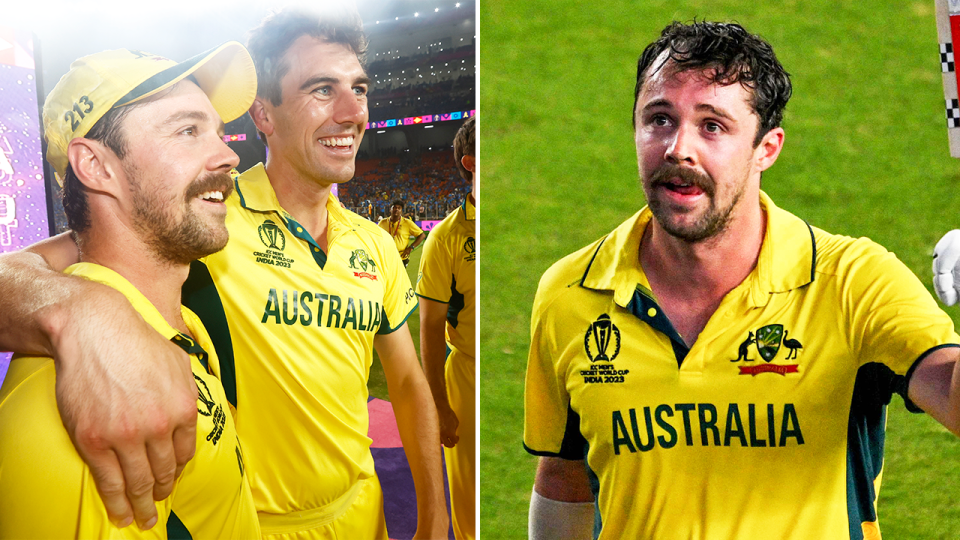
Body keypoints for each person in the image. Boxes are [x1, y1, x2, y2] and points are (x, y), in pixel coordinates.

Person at [0, 6, 448, 540]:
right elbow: (54, 259)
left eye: (360, 88)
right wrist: (76, 311)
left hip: (362, 506)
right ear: (263, 115)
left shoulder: (372, 242)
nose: (353, 111)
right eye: (322, 90)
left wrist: (435, 517)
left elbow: (405, 380)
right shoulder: (204, 221)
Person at [523, 21, 960, 540]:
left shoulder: (853, 282)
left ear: (766, 149)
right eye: (659, 119)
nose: (678, 148)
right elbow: (564, 476)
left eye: (712, 126)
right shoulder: (571, 291)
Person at [0, 44, 260, 537]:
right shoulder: (81, 406)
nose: (230, 155)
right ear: (97, 167)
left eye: (220, 133)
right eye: (187, 130)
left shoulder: (176, 319)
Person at [416, 116, 476, 540]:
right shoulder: (447, 238)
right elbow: (430, 328)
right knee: (472, 499)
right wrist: (439, 404)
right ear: (472, 163)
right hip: (467, 377)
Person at [380, 199, 426, 267]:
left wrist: (411, 247)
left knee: (399, 277)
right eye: (394, 207)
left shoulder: (407, 223)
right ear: (391, 209)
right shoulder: (382, 223)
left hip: (401, 258)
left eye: (399, 208)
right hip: (386, 257)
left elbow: (422, 235)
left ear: (401, 211)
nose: (396, 209)